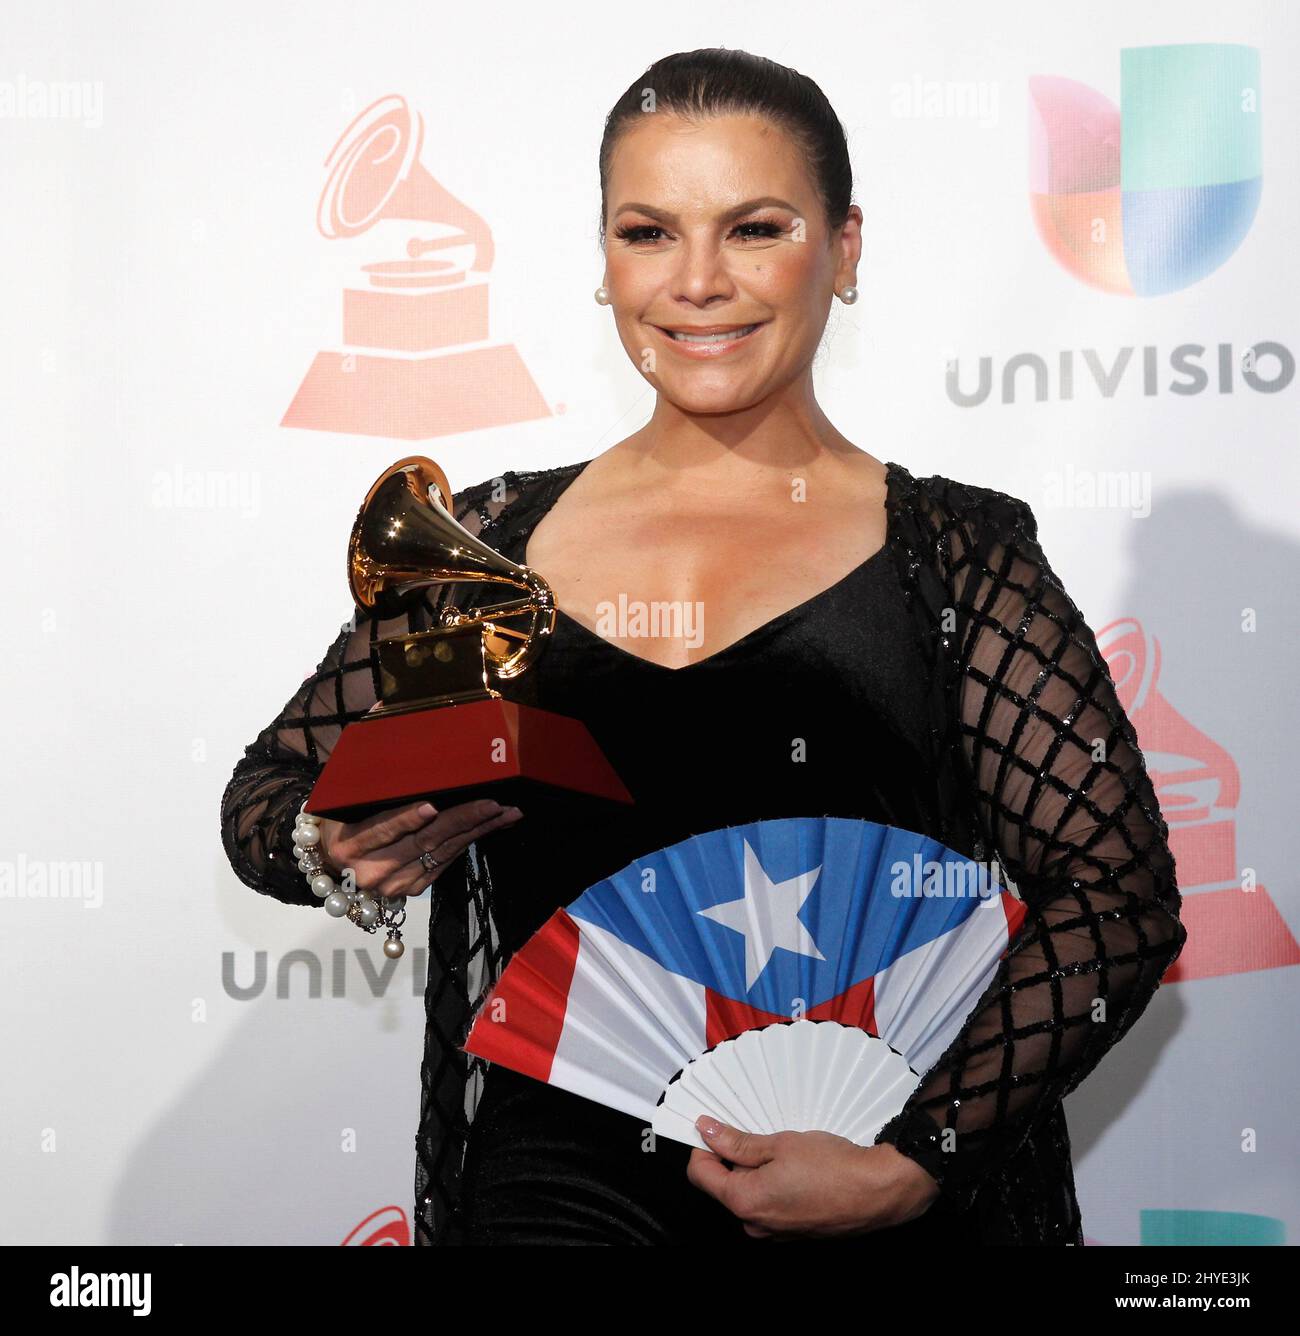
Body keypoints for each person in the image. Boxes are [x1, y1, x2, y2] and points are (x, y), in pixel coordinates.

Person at [220, 47, 1186, 1246]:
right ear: (602, 260)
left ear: (843, 250)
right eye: (647, 232)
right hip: (549, 1197)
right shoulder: (484, 542)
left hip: (866, 1191)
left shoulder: (955, 555)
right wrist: (334, 840)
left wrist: (912, 1161)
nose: (696, 283)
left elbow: (1117, 899)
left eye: (754, 228)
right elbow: (266, 796)